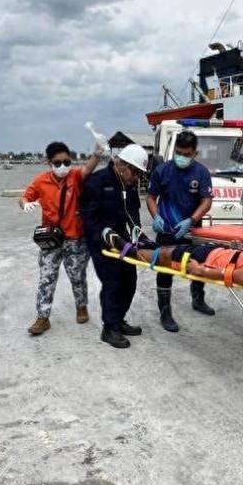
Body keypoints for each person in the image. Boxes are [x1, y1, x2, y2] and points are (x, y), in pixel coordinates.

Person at [19, 140, 102, 336]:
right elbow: (24, 197)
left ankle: (81, 306)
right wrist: (25, 205)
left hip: (75, 237)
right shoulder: (40, 181)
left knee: (77, 276)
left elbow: (88, 168)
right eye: (57, 163)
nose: (63, 166)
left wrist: (97, 153)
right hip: (51, 238)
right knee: (46, 277)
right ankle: (42, 317)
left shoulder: (75, 176)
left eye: (66, 161)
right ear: (49, 163)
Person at [80, 143, 149, 349]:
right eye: (135, 172)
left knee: (130, 280)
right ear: (121, 165)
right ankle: (109, 328)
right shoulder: (97, 182)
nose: (136, 177)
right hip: (100, 241)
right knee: (112, 282)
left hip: (123, 239)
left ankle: (118, 319)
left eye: (139, 174)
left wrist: (139, 235)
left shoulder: (129, 185)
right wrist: (104, 234)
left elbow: (133, 214)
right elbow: (88, 217)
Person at [146, 130, 215, 332]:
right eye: (178, 152)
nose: (181, 157)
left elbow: (207, 200)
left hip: (192, 230)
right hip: (167, 229)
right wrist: (155, 216)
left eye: (186, 154)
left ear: (195, 153)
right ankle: (165, 311)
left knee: (198, 264)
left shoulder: (201, 173)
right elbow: (151, 197)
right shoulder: (162, 171)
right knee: (165, 268)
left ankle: (198, 299)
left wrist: (192, 220)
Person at [104, 232, 243, 290]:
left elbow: (234, 276)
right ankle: (146, 246)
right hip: (219, 252)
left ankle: (130, 251)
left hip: (207, 261)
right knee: (167, 250)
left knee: (166, 256)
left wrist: (202, 272)